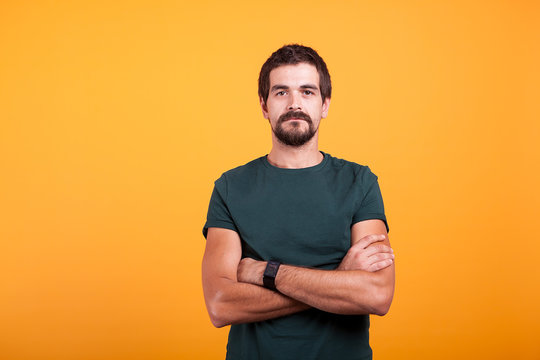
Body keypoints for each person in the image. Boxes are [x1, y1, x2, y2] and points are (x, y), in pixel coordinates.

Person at [202, 44, 395, 360]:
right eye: (281, 93)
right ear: (264, 106)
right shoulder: (230, 187)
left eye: (307, 92)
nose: (295, 103)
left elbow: (377, 295)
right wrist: (339, 279)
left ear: (324, 105)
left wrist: (266, 272)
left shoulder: (360, 183)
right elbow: (221, 304)